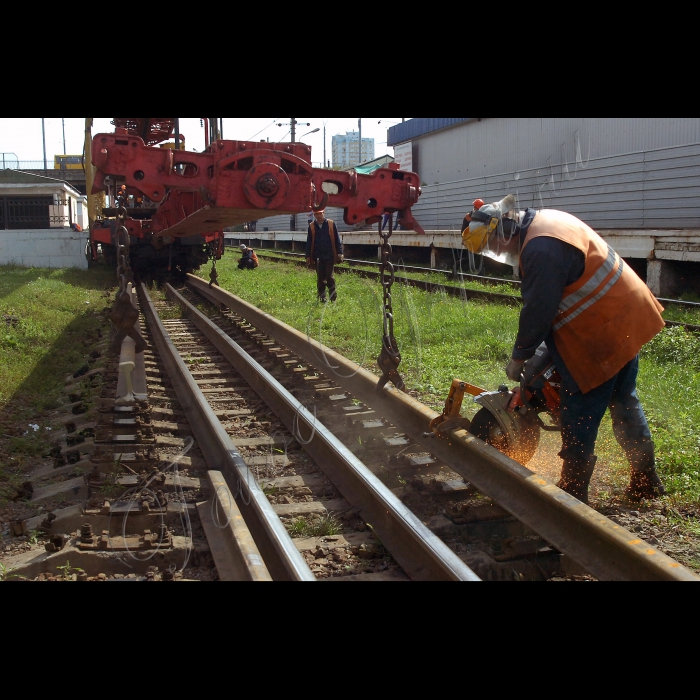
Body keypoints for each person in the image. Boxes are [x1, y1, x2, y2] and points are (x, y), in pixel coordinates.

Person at [462, 194, 666, 505]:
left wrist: (520, 357)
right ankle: (646, 480)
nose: (498, 252)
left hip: (601, 330)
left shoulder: (539, 249)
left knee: (579, 411)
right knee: (624, 401)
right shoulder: (546, 222)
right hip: (627, 317)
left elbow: (539, 312)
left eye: (493, 246)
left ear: (504, 230)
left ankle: (573, 493)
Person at [306, 208, 343, 303]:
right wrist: (308, 256)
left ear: (323, 213)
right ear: (314, 215)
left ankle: (333, 298)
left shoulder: (331, 224)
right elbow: (309, 241)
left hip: (330, 255)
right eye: (316, 214)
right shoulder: (312, 226)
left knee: (329, 277)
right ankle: (322, 298)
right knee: (320, 278)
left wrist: (339, 252)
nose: (318, 216)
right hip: (318, 255)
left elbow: (336, 239)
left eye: (320, 213)